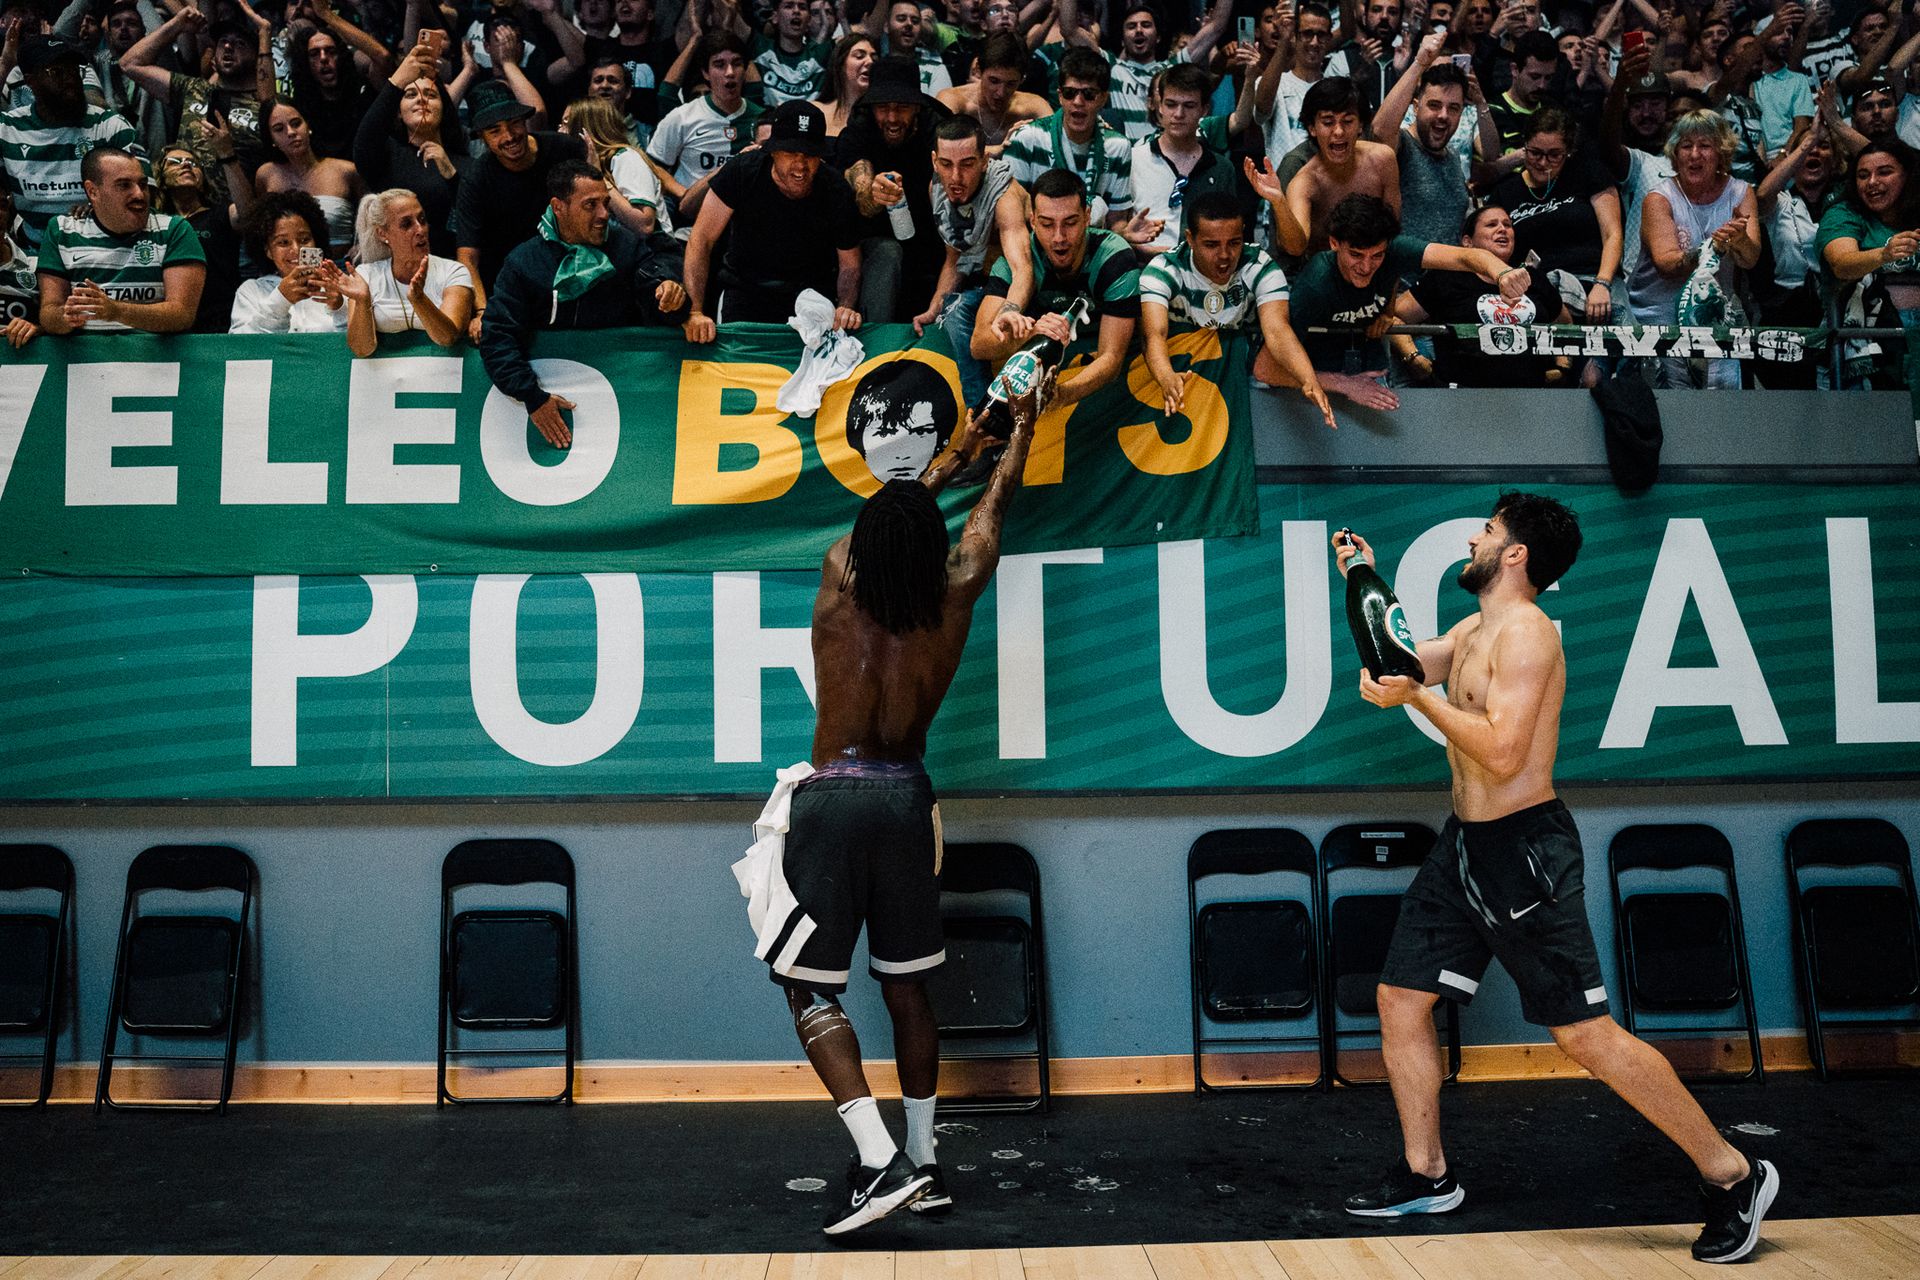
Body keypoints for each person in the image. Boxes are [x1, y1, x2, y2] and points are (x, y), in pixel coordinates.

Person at [1331, 495, 1781, 1267]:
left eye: (1489, 530)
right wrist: (1360, 575)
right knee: (1401, 997)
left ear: (1514, 556)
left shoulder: (1531, 636)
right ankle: (1426, 1174)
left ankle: (1733, 1172)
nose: (1473, 536)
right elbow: (1404, 662)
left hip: (1526, 854)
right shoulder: (1477, 629)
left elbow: (1503, 754)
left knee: (1583, 1037)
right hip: (1464, 847)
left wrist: (1421, 701)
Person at [749, 373, 1034, 1236]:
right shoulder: (955, 595)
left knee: (803, 985)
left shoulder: (840, 573)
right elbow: (990, 518)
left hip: (830, 799)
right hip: (908, 801)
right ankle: (928, 1163)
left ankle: (879, 1161)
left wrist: (949, 456)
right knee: (909, 991)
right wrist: (1015, 432)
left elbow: (897, 518)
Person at [480, 159, 689, 448]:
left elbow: (658, 304)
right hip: (551, 399)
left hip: (625, 395)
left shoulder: (626, 247)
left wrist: (671, 296)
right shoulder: (523, 263)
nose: (605, 214)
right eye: (590, 205)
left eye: (606, 203)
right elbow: (497, 336)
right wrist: (531, 396)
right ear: (558, 206)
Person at [1282, 193, 1528, 411]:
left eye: (1377, 255)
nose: (1366, 267)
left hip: (1371, 377)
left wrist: (1502, 273)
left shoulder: (1394, 251)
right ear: (1334, 243)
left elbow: (1465, 257)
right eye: (1356, 255)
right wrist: (1343, 384)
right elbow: (1267, 368)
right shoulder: (1315, 283)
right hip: (1314, 383)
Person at [1139, 188, 1334, 428]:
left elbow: (1277, 330)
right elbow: (1153, 335)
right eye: (1211, 245)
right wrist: (1166, 377)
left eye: (1234, 243)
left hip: (1240, 379)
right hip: (1180, 374)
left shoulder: (1260, 266)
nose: (1224, 255)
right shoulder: (1163, 270)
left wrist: (1308, 379)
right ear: (1189, 239)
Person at [683, 98, 862, 333]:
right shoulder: (742, 171)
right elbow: (701, 239)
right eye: (790, 153)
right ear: (774, 151)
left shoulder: (836, 189)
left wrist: (845, 306)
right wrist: (695, 311)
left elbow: (849, 265)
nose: (800, 165)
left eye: (809, 154)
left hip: (810, 295)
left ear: (821, 156)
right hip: (745, 288)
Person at [972, 167, 1139, 413]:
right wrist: (1032, 334)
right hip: (1043, 366)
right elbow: (979, 345)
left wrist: (1060, 395)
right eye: (1047, 224)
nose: (1059, 237)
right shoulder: (1016, 261)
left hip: (1091, 378)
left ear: (1087, 216)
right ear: (1033, 222)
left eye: (1070, 223)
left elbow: (1111, 359)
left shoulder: (1115, 258)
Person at [1631, 110, 1760, 388]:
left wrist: (1739, 241)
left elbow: (1750, 259)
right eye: (1686, 146)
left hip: (1715, 317)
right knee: (1674, 408)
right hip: (1660, 317)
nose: (1694, 154)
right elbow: (1667, 264)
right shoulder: (1658, 198)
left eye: (1704, 145)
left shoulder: (1741, 192)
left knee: (1722, 406)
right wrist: (1711, 247)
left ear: (1721, 153)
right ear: (1675, 154)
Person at [456, 78, 590, 335]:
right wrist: (482, 311)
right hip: (509, 286)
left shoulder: (566, 149)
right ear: (482, 137)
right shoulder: (475, 180)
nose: (509, 136)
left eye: (514, 123)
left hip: (574, 273)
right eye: (494, 130)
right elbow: (467, 257)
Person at [1392, 204, 1575, 387]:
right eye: (1491, 225)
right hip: (1462, 395)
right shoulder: (1445, 276)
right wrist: (1412, 357)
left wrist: (1562, 367)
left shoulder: (1532, 278)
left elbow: (1565, 324)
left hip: (1530, 395)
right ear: (1467, 242)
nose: (1502, 229)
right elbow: (1395, 315)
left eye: (1507, 225)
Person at [924, 113, 1033, 405]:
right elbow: (953, 259)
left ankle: (984, 413)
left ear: (984, 161)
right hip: (979, 282)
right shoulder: (937, 189)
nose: (956, 177)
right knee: (946, 311)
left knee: (958, 311)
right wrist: (933, 307)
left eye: (967, 164)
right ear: (935, 161)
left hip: (1018, 283)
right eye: (946, 164)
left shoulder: (1004, 195)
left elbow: (1022, 268)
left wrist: (1010, 311)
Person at [37, 144, 203, 335]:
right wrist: (66, 317)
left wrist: (116, 310)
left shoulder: (173, 229)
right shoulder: (62, 231)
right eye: (124, 185)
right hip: (83, 359)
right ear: (92, 191)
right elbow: (49, 312)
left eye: (142, 184)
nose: (139, 194)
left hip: (154, 360)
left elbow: (181, 315)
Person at [120, 7, 274, 202]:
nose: (227, 47)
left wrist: (265, 36)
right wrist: (177, 24)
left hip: (235, 212)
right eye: (223, 42)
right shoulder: (192, 88)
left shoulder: (263, 104)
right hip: (184, 207)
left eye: (239, 44)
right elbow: (129, 64)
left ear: (255, 57)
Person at [0, 33, 134, 247]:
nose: (71, 78)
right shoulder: (8, 128)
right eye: (57, 72)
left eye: (74, 69)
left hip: (100, 246)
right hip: (34, 250)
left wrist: (103, 210)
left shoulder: (110, 126)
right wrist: (4, 66)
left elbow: (146, 195)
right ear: (31, 81)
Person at [1490, 109, 1622, 323]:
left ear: (1568, 151)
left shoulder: (1588, 173)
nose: (1543, 162)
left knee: (1628, 345)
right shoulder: (1505, 193)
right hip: (1540, 289)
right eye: (1535, 153)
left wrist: (1603, 283)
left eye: (1554, 155)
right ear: (1524, 146)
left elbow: (1612, 234)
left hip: (1595, 279)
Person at [838, 55, 943, 323]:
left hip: (933, 237)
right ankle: (876, 342)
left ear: (917, 107)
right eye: (883, 107)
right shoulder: (858, 131)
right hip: (876, 243)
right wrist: (874, 193)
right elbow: (861, 190)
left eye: (903, 107)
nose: (893, 117)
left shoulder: (939, 129)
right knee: (888, 251)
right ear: (871, 108)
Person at [1371, 34, 1498, 245]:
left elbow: (1492, 155)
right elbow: (1379, 130)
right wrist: (1420, 62)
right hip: (1405, 276)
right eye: (1434, 105)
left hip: (1449, 274)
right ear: (1415, 106)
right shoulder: (1402, 146)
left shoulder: (1454, 157)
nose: (1443, 116)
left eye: (1454, 108)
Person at [1254, 75, 1400, 256]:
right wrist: (1279, 201)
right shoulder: (1304, 181)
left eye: (1348, 121)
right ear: (1312, 128)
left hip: (1376, 264)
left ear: (1361, 125)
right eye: (1328, 122)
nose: (1338, 131)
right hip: (1321, 272)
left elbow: (1394, 231)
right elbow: (1295, 248)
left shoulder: (1383, 159)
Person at [353, 34, 471, 260]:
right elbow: (364, 142)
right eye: (410, 94)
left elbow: (476, 218)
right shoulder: (387, 154)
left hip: (449, 271)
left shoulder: (465, 164)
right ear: (398, 111)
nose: (421, 100)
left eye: (430, 95)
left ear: (444, 108)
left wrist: (452, 175)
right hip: (393, 272)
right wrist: (397, 81)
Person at [1818, 136, 1920, 385]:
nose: (1872, 182)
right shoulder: (1843, 214)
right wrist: (1884, 254)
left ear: (1908, 177)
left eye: (1884, 172)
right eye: (1863, 175)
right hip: (1867, 342)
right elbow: (1842, 263)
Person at [333, 188, 475, 356]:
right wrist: (363, 301)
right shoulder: (365, 276)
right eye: (407, 224)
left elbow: (448, 338)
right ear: (382, 233)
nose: (420, 230)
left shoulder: (454, 272)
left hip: (443, 374)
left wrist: (419, 300)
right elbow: (361, 349)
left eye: (422, 220)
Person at [650, 28, 762, 225]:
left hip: (745, 222)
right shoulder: (682, 117)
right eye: (719, 65)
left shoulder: (761, 118)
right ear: (705, 73)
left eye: (736, 64)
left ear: (745, 70)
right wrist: (683, 194)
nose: (730, 73)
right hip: (692, 220)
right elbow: (653, 164)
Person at [1129, 61, 1239, 255]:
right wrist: (1135, 246)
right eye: (1171, 104)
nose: (1178, 114)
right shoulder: (1133, 160)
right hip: (1144, 269)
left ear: (1204, 110)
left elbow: (1230, 234)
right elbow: (1117, 229)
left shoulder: (1222, 168)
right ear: (1159, 106)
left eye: (1189, 106)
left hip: (1205, 273)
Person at [229, 189, 348, 334]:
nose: (296, 249)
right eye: (283, 242)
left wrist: (341, 308)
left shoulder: (338, 287)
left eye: (304, 240)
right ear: (267, 250)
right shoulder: (251, 291)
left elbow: (359, 346)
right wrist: (280, 300)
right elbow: (241, 347)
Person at [255, 98, 366, 254]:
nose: (291, 132)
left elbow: (369, 220)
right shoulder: (266, 175)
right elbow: (262, 228)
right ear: (271, 138)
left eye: (296, 123)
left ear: (308, 126)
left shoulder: (346, 171)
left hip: (341, 267)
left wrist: (360, 247)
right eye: (279, 129)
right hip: (287, 271)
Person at [156, 142, 245, 334]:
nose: (186, 165)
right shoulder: (156, 222)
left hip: (220, 324)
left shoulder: (221, 215)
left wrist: (227, 155)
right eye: (175, 162)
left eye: (193, 163)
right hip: (170, 327)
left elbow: (249, 214)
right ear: (161, 180)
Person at [565, 94, 672, 235]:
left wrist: (601, 177)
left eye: (566, 123)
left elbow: (644, 225)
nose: (560, 130)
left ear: (585, 130)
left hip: (654, 253)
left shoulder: (626, 158)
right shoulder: (579, 168)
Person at [936, 31, 1049, 153]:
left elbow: (1059, 141)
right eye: (994, 81)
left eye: (1011, 84)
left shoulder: (1034, 106)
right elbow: (937, 146)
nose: (1001, 92)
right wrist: (997, 150)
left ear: (1022, 79)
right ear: (978, 70)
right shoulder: (953, 100)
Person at [1254, 0, 1334, 161]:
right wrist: (1284, 39)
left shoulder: (1336, 90)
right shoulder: (1275, 83)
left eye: (1321, 35)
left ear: (1329, 39)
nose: (1314, 42)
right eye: (1307, 33)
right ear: (1295, 37)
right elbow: (1261, 112)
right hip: (1283, 183)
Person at [754, 0, 833, 105]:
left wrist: (842, 20)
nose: (796, 11)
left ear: (809, 20)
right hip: (769, 120)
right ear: (775, 17)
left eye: (802, 7)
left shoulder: (821, 53)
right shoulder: (760, 47)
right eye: (788, 6)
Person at [810, 31, 876, 136]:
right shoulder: (814, 112)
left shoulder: (880, 118)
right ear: (840, 65)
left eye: (874, 58)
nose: (870, 62)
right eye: (859, 56)